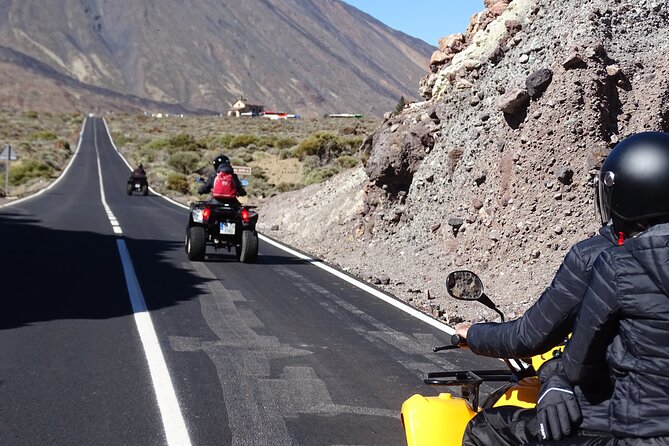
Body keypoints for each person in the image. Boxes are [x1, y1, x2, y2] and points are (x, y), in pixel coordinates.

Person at [455, 163, 624, 442]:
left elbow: (527, 337)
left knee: (486, 428)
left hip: (609, 422)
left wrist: (472, 333)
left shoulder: (595, 257)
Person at [538, 132, 669, 445]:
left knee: (491, 428)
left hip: (640, 436)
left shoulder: (618, 264)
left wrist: (554, 376)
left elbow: (578, 361)